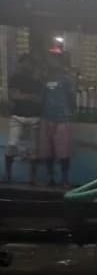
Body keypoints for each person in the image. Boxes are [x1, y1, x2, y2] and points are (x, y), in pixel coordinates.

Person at [39, 50, 75, 187]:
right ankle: (50, 178)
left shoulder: (67, 79)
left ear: (60, 61)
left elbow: (71, 98)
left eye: (55, 59)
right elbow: (42, 97)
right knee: (48, 151)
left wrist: (70, 113)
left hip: (63, 119)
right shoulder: (45, 78)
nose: (52, 61)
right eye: (50, 59)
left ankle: (65, 179)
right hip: (47, 118)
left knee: (64, 151)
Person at [5, 54, 41, 184]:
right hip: (17, 116)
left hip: (33, 116)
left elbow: (39, 98)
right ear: (20, 64)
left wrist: (23, 96)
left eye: (29, 63)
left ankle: (32, 179)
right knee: (12, 145)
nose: (27, 66)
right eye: (25, 63)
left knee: (33, 149)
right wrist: (29, 97)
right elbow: (14, 96)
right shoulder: (15, 78)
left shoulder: (37, 80)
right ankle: (8, 176)